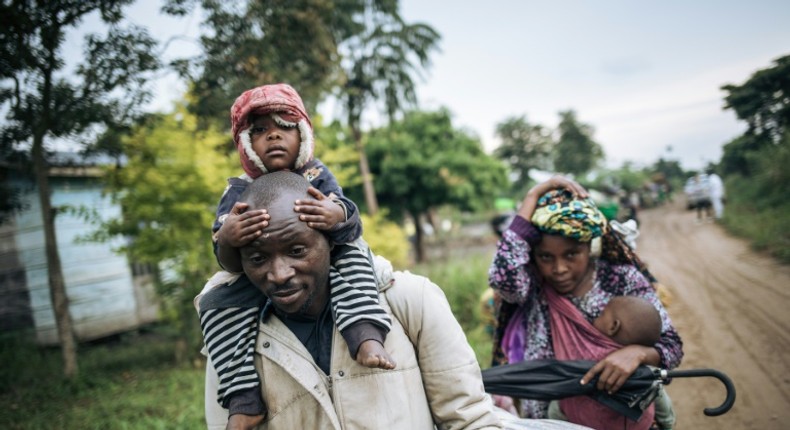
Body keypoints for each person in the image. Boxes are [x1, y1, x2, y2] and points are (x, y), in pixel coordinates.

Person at [202, 171, 504, 429]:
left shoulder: (410, 300)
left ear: (330, 240)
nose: (279, 274)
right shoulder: (232, 344)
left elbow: (471, 419)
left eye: (297, 251)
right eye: (257, 258)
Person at [200, 83, 393, 426]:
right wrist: (228, 238)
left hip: (326, 264)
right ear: (246, 144)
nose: (273, 136)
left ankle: (365, 333)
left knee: (354, 259)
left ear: (302, 134)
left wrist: (337, 215)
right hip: (254, 275)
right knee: (214, 303)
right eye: (260, 130)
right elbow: (227, 259)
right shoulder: (237, 191)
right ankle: (243, 397)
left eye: (285, 127)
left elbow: (349, 225)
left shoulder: (316, 175)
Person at [488, 176, 684, 429]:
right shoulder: (533, 286)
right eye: (546, 257)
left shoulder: (620, 279)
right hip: (550, 419)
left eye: (571, 254)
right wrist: (532, 197)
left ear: (589, 247)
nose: (559, 268)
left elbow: (672, 346)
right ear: (534, 256)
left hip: (619, 416)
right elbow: (502, 277)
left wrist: (640, 353)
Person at [591, 296, 676, 430]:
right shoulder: (645, 373)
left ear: (614, 326)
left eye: (602, 313)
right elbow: (662, 404)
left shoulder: (590, 355)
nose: (596, 316)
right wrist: (666, 424)